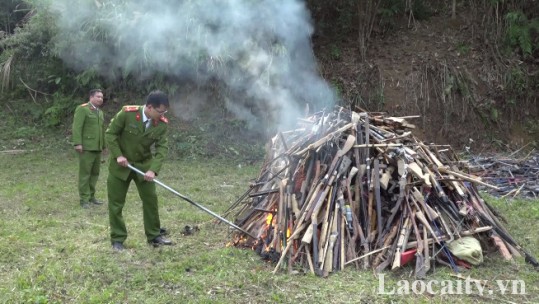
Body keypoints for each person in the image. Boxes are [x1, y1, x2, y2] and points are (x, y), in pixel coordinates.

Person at [105, 90, 172, 251]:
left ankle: (154, 235)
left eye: (165, 111)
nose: (162, 114)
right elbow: (110, 134)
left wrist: (153, 170)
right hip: (121, 166)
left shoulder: (161, 124)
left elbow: (162, 148)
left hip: (143, 166)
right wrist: (118, 155)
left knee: (151, 200)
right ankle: (118, 239)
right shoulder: (127, 114)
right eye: (160, 111)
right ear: (149, 107)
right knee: (116, 204)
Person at [72, 89, 106, 209]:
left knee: (95, 173)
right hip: (86, 147)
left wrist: (104, 145)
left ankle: (92, 196)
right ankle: (84, 199)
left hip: (97, 148)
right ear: (91, 97)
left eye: (102, 97)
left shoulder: (100, 113)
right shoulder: (83, 109)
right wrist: (77, 143)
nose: (100, 99)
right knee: (85, 174)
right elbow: (77, 127)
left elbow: (101, 130)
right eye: (98, 97)